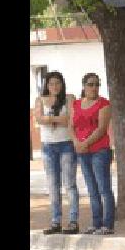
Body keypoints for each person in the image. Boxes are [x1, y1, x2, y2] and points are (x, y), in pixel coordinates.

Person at [33, 71, 79, 235]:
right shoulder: (40, 99)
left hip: (66, 144)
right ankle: (56, 222)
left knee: (70, 184)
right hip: (48, 147)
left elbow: (70, 119)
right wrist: (58, 118)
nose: (54, 86)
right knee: (53, 186)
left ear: (62, 84)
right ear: (46, 85)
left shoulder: (69, 98)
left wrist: (49, 118)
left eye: (57, 83)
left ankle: (73, 221)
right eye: (51, 83)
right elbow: (38, 119)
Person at [71, 73, 115, 235]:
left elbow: (102, 129)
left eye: (97, 84)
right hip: (82, 152)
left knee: (104, 189)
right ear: (84, 85)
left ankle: (107, 224)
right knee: (91, 189)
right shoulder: (76, 104)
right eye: (90, 84)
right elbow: (71, 126)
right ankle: (95, 223)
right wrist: (76, 142)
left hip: (99, 151)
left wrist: (85, 143)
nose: (94, 87)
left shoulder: (104, 104)